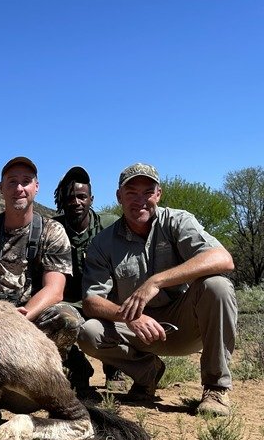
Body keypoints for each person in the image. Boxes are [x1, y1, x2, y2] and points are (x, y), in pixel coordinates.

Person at [79, 163, 237, 416]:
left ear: (158, 194)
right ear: (119, 197)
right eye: (131, 193)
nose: (140, 200)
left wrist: (155, 282)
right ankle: (148, 372)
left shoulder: (178, 220)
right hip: (135, 330)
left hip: (184, 326)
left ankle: (216, 389)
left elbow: (222, 259)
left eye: (148, 192)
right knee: (89, 331)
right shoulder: (102, 243)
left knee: (217, 286)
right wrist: (130, 315)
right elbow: (91, 301)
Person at [0, 156, 83, 358]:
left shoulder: (52, 231)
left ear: (36, 187)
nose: (19, 188)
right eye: (12, 182)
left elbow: (55, 289)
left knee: (67, 319)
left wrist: (21, 317)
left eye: (26, 181)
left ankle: (51, 369)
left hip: (31, 316)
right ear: (1, 188)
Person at [52, 166, 123, 395]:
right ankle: (78, 368)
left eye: (82, 196)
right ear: (62, 200)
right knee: (56, 319)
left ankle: (115, 369)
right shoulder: (52, 228)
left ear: (91, 199)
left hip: (104, 297)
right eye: (70, 197)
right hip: (69, 301)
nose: (76, 202)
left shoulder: (111, 225)